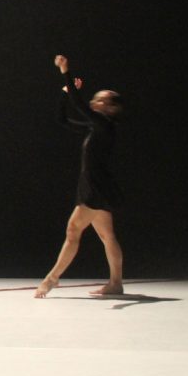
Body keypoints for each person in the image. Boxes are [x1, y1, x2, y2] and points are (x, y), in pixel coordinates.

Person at [34, 55, 125, 298]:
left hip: (96, 187)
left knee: (73, 229)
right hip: (96, 185)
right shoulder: (95, 128)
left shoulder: (105, 125)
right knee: (107, 235)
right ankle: (116, 283)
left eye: (101, 100)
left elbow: (80, 105)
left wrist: (65, 72)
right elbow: (62, 119)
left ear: (112, 108)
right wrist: (65, 93)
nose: (95, 101)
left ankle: (51, 279)